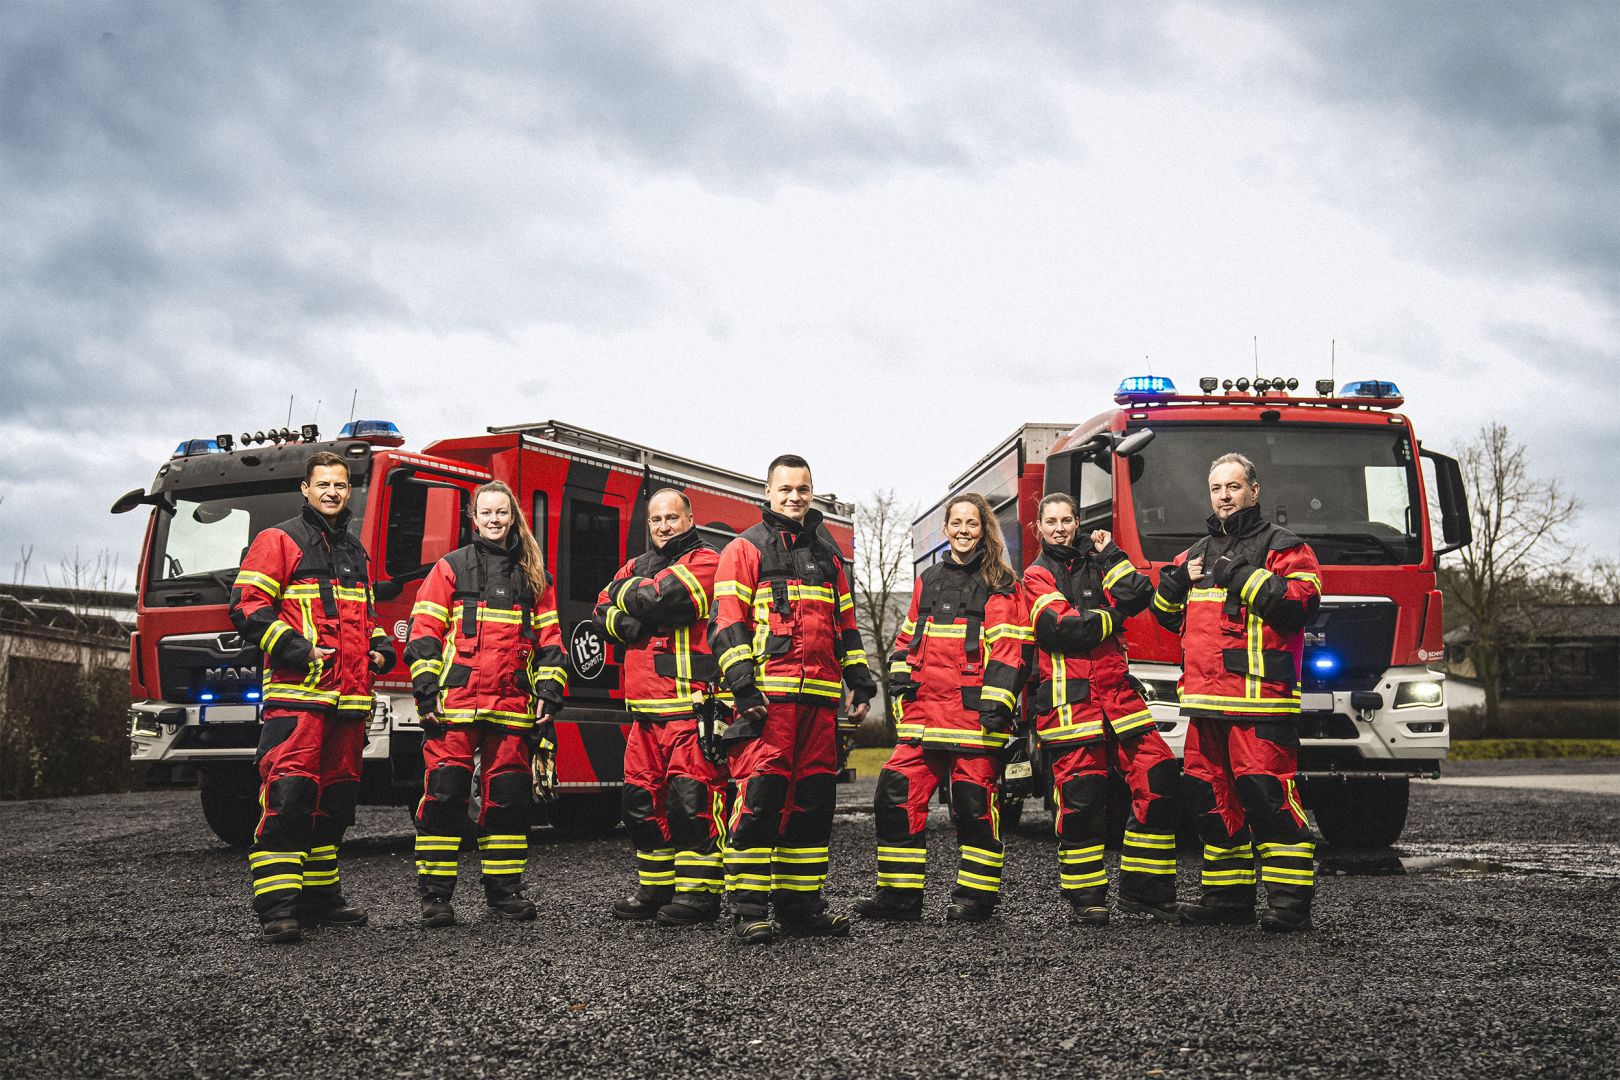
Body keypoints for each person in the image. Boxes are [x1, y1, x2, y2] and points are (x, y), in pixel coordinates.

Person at [1151, 452, 1322, 932]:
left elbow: (1300, 605)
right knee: (1211, 801)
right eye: (1217, 489)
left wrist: (1239, 574)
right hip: (1205, 705)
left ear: (1254, 490)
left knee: (1268, 799)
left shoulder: (1285, 546)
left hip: (1260, 703)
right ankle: (1226, 900)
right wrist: (1175, 581)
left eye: (1233, 487)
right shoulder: (1198, 551)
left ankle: (1290, 904)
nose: (1224, 496)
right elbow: (1164, 613)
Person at [230, 450, 396, 944]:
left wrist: (380, 647)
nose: (331, 492)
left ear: (349, 491)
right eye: (322, 483)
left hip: (348, 703)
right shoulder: (279, 539)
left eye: (340, 485)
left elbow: (365, 620)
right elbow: (246, 606)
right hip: (298, 698)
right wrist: (298, 649)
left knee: (335, 803)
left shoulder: (355, 552)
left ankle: (320, 899)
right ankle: (279, 910)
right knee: (290, 797)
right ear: (305, 489)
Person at [712, 454, 877, 944]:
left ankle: (801, 907)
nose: (794, 497)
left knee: (811, 807)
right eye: (785, 489)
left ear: (812, 491)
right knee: (759, 804)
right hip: (768, 704)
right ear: (767, 492)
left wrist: (861, 683)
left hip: (820, 705)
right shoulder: (744, 549)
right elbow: (727, 623)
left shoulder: (828, 557)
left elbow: (846, 627)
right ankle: (748, 910)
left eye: (802, 488)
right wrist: (743, 686)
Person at [852, 493, 1030, 923]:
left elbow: (1010, 650)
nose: (964, 530)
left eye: (973, 523)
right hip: (923, 718)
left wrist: (998, 706)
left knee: (972, 807)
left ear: (983, 529)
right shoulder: (928, 579)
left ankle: (976, 898)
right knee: (894, 795)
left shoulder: (1001, 581)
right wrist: (897, 675)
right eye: (957, 523)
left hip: (973, 721)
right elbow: (906, 637)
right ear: (947, 529)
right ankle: (899, 898)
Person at [403, 480, 566, 927]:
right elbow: (423, 634)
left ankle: (504, 894)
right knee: (444, 798)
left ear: (513, 517)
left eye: (502, 513)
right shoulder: (450, 568)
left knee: (509, 802)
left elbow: (551, 644)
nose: (494, 520)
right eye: (486, 513)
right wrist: (426, 691)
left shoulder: (535, 576)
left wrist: (549, 695)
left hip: (512, 705)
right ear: (473, 518)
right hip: (454, 706)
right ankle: (436, 898)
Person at [1024, 493, 1181, 926]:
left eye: (1067, 520)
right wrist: (1111, 617)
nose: (1059, 528)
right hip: (1070, 705)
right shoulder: (1036, 574)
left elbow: (1139, 594)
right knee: (1083, 801)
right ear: (1039, 528)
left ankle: (1143, 891)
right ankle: (1086, 897)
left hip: (1118, 698)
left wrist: (1111, 552)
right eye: (1051, 521)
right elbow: (1059, 628)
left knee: (1160, 774)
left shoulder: (1099, 560)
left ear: (1078, 522)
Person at [591, 487, 729, 927]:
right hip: (644, 712)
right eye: (656, 520)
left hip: (692, 707)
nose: (664, 526)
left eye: (672, 518)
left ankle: (700, 896)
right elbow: (600, 610)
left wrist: (630, 602)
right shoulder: (637, 567)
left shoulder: (707, 560)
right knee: (639, 803)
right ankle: (655, 888)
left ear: (690, 519)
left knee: (692, 804)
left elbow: (674, 600)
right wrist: (632, 614)